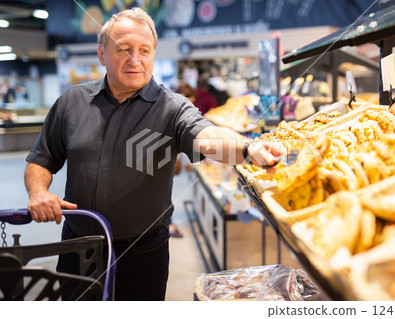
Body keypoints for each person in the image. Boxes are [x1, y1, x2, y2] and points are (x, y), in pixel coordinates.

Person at [24, 7, 283, 301]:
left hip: (143, 254)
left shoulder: (171, 108)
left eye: (144, 50)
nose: (135, 60)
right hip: (78, 248)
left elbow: (207, 136)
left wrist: (248, 149)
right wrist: (38, 193)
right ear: (102, 54)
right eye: (123, 49)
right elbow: (40, 160)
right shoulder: (71, 104)